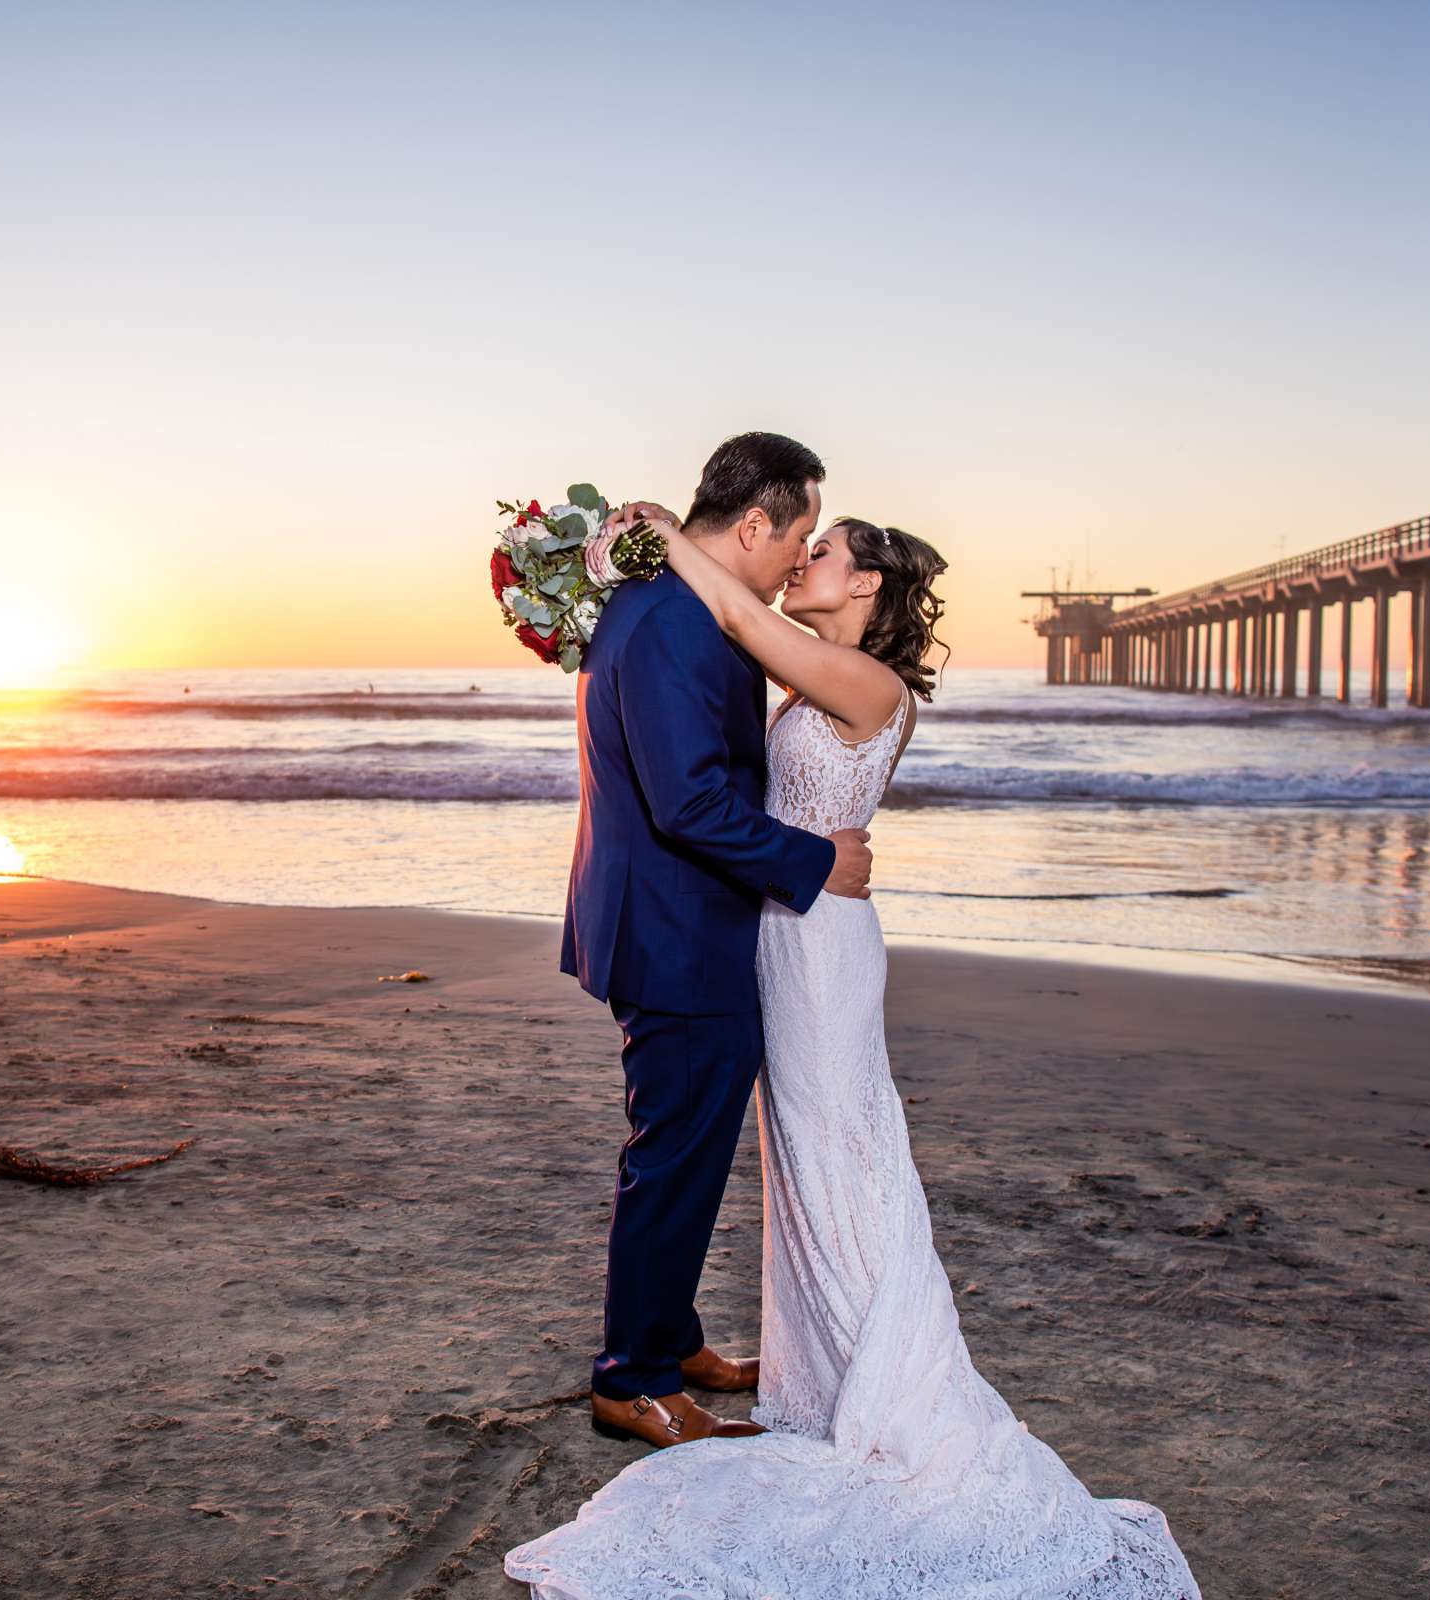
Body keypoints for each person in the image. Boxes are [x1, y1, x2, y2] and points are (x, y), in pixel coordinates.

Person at [508, 502, 1202, 1598]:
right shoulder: (825, 666)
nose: (805, 560)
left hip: (819, 943)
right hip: (781, 928)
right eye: (803, 540)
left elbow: (735, 609)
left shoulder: (869, 686)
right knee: (804, 1156)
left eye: (824, 551)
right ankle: (819, 1359)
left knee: (841, 1142)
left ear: (869, 584)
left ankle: (880, 1376)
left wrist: (654, 537)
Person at [554, 431, 875, 1451]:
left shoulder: (684, 609)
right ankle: (633, 1378)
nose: (800, 558)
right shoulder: (670, 626)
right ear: (754, 525)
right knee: (675, 1157)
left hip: (682, 920)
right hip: (675, 931)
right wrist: (819, 862)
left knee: (684, 1147)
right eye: (800, 536)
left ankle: (672, 1337)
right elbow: (691, 803)